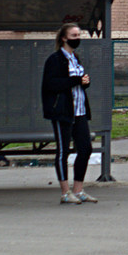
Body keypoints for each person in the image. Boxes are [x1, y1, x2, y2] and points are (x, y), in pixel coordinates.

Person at [42, 23, 97, 205]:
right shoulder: (55, 60)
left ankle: (78, 189)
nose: (77, 38)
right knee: (63, 151)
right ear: (64, 38)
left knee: (85, 149)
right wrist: (75, 80)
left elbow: (77, 81)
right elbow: (52, 84)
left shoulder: (76, 58)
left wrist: (84, 82)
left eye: (79, 34)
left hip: (79, 111)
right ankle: (65, 192)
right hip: (63, 112)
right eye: (74, 35)